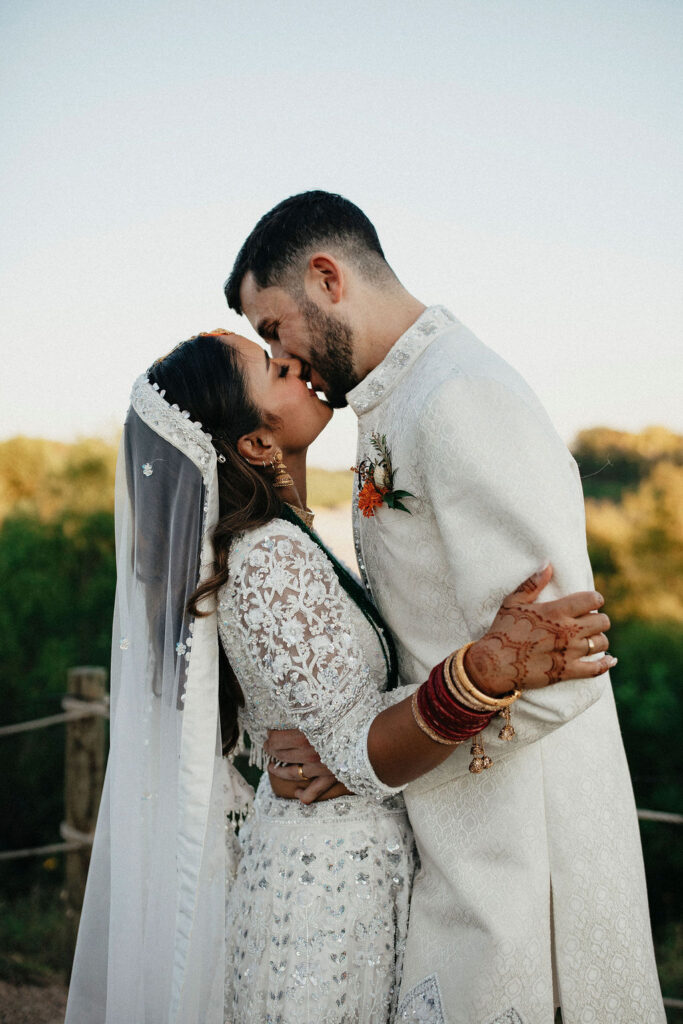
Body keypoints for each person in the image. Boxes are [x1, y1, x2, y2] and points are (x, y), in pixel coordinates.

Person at [66, 330, 615, 1024]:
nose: (293, 364)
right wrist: (482, 671)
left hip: (344, 869)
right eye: (271, 368)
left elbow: (339, 729)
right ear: (258, 446)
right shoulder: (266, 557)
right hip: (321, 896)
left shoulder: (284, 539)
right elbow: (356, 740)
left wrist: (342, 744)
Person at [225, 191, 666, 1024]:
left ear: (326, 278)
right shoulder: (391, 401)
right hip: (453, 826)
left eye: (274, 329)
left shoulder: (461, 395)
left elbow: (561, 663)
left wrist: (359, 751)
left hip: (521, 846)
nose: (281, 357)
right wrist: (362, 743)